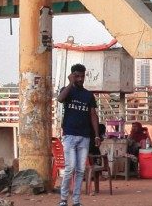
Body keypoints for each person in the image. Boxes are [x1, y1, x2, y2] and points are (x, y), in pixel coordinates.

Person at [57, 64, 100, 206]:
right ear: (72, 76)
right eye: (77, 76)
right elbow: (60, 99)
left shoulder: (88, 95)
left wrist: (97, 135)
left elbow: (93, 115)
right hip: (69, 135)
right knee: (70, 168)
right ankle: (63, 200)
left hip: (85, 137)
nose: (80, 79)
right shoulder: (67, 90)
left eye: (82, 76)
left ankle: (76, 201)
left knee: (80, 170)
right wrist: (70, 83)